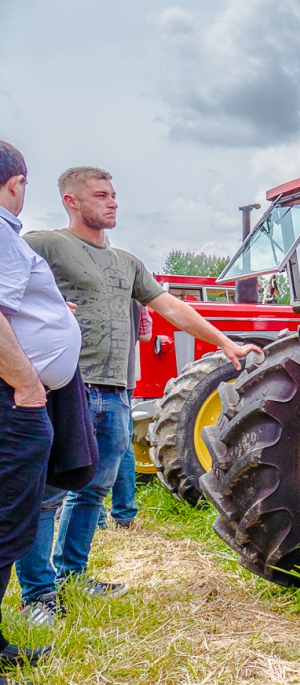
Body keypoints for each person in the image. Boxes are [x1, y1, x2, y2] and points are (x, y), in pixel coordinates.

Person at [15, 166, 261, 625]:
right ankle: (38, 596)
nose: (112, 202)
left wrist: (225, 343)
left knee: (94, 490)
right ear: (72, 201)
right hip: (67, 388)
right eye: (101, 195)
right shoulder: (45, 244)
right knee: (46, 495)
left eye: (113, 195)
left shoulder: (127, 262)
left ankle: (72, 573)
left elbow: (170, 306)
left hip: (116, 390)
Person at [0, 141, 82, 677]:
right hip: (13, 402)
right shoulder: (3, 232)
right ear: (16, 182)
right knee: (7, 524)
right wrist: (29, 386)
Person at [98, 301, 151, 530]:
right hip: (124, 370)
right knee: (123, 439)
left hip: (90, 369)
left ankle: (95, 515)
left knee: (87, 435)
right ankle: (124, 513)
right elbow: (146, 334)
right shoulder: (133, 280)